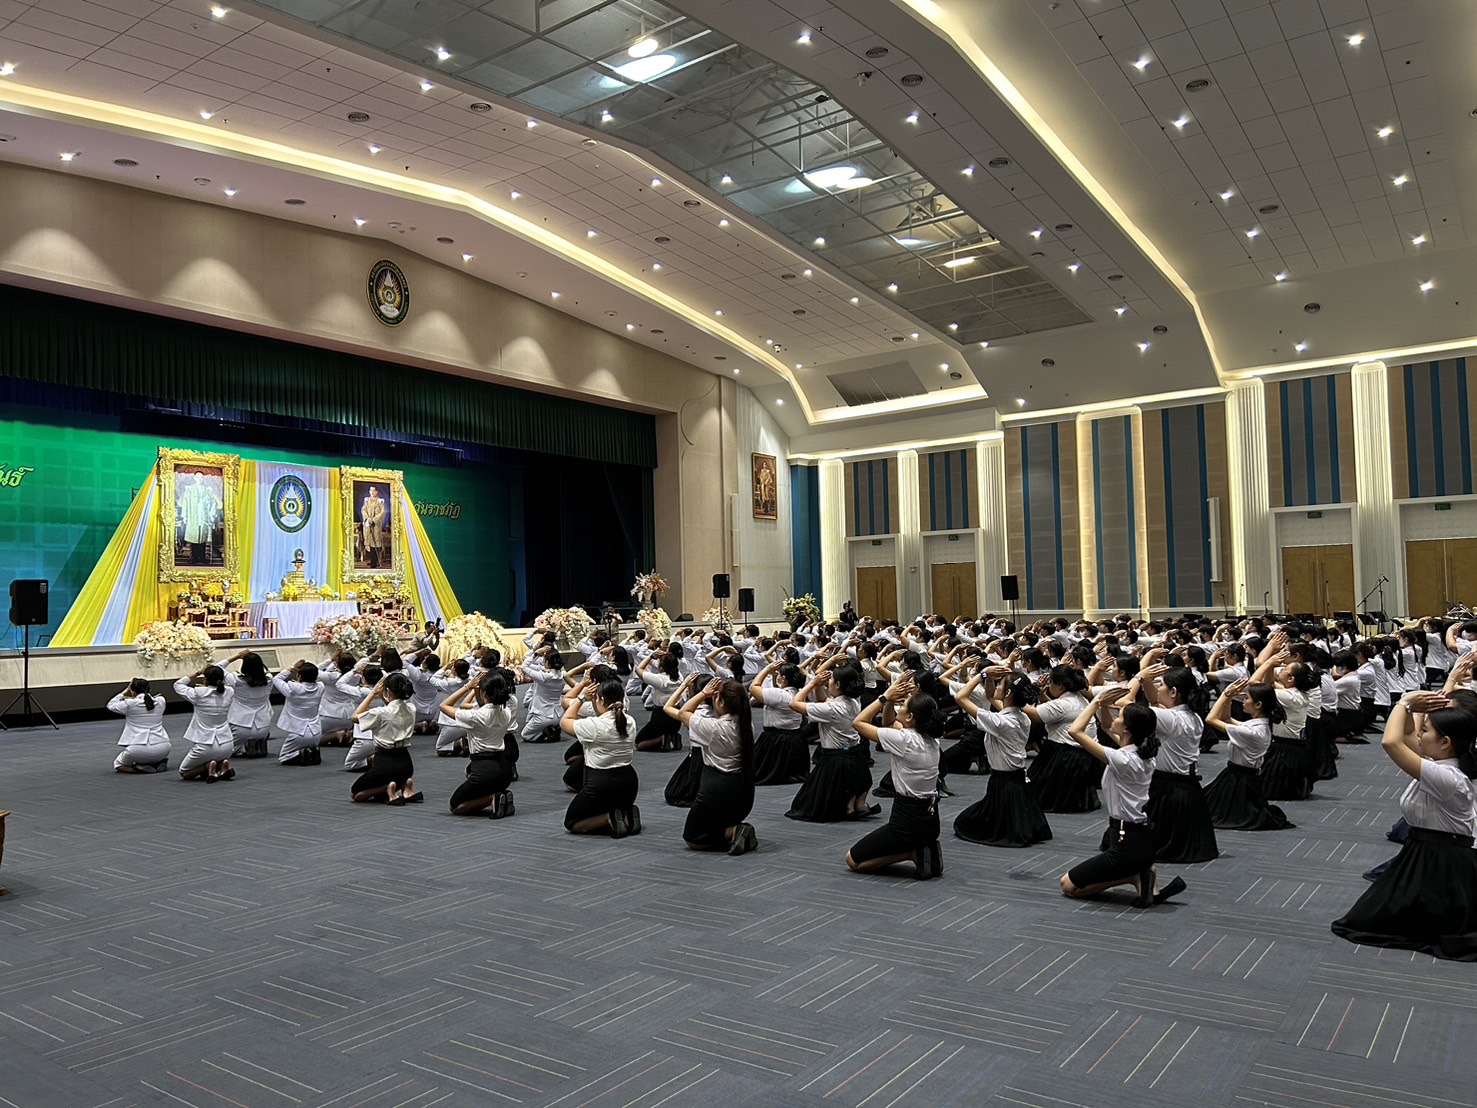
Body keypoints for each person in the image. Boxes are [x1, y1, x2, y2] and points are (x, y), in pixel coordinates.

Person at [1331, 691, 1477, 960]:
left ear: (1445, 742)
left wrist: (1404, 702)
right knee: (1370, 918)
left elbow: (1391, 741)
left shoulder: (1447, 776)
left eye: (1426, 731)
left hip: (1446, 863)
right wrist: (1412, 709)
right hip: (1425, 853)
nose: (1420, 735)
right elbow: (1408, 733)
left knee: (1373, 922)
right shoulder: (1437, 763)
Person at [1059, 689, 1186, 908]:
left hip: (1126, 843)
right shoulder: (1141, 754)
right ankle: (1141, 874)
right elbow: (1107, 726)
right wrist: (1104, 707)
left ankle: (1133, 876)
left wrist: (1096, 702)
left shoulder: (1123, 759)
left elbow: (1075, 731)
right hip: (1140, 838)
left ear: (1127, 728)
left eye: (1119, 716)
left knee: (1068, 886)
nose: (1115, 719)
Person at [847, 673, 943, 878]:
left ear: (910, 717)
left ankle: (912, 853)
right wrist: (891, 701)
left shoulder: (904, 740)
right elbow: (890, 722)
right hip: (930, 820)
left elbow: (858, 722)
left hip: (906, 822)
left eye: (904, 705)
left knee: (853, 861)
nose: (901, 705)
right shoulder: (931, 739)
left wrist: (884, 697)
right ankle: (922, 847)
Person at [951, 668, 1052, 847]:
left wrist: (982, 675)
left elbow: (960, 698)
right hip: (1017, 778)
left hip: (1004, 782)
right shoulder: (1021, 716)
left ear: (1008, 693)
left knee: (964, 823)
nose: (996, 687)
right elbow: (991, 696)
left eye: (1000, 684)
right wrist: (989, 679)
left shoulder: (1000, 722)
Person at [666, 677, 758, 854]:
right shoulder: (747, 725)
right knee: (716, 824)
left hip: (717, 791)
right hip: (743, 790)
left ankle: (735, 831)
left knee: (693, 838)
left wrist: (703, 693)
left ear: (721, 702)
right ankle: (735, 831)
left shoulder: (714, 728)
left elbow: (684, 712)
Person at [786, 657, 873, 821]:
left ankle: (848, 806)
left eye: (831, 680)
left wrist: (812, 684)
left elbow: (794, 704)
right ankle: (854, 804)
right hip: (855, 756)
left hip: (836, 760)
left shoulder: (832, 709)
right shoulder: (853, 702)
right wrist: (819, 685)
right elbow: (823, 701)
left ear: (838, 685)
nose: (828, 683)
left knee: (804, 804)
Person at [1202, 680, 1295, 830]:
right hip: (1236, 775)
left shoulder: (1253, 732)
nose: (1243, 701)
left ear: (1258, 705)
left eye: (1246, 698)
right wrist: (1229, 698)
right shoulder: (1256, 725)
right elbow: (1226, 719)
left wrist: (1226, 694)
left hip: (1241, 780)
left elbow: (1210, 719)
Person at [561, 676, 640, 837]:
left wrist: (581, 698)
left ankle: (609, 818)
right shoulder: (630, 721)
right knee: (608, 805)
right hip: (628, 783)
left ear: (601, 700)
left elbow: (565, 721)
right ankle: (626, 815)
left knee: (572, 822)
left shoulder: (594, 726)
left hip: (601, 784)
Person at [1024, 665, 1101, 813]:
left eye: (1051, 683)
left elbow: (1035, 715)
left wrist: (1017, 698)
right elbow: (1053, 711)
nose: (1049, 686)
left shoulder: (1064, 704)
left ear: (1060, 685)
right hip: (1082, 756)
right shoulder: (1078, 698)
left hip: (1065, 757)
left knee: (1030, 794)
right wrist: (1041, 695)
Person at [444, 671, 516, 817]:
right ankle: (499, 795)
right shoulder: (506, 712)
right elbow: (486, 705)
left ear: (484, 693)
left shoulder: (475, 716)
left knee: (455, 806)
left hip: (483, 769)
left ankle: (492, 798)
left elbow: (444, 705)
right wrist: (478, 689)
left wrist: (468, 687)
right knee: (470, 774)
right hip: (504, 768)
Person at [350, 671, 420, 803]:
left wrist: (372, 693)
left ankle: (388, 787)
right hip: (406, 764)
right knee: (393, 778)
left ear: (387, 691)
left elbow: (355, 717)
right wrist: (384, 694)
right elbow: (393, 705)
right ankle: (404, 785)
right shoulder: (411, 708)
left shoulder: (380, 712)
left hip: (385, 763)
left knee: (356, 794)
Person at [748, 660, 810, 785]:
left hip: (776, 740)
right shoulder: (798, 693)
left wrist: (767, 669)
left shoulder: (780, 695)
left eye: (779, 674)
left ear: (784, 678)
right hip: (795, 739)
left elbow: (753, 688)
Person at [173, 664, 235, 782]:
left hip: (205, 745)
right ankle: (221, 766)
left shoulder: (199, 693)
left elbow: (178, 685)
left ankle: (209, 766)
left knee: (184, 773)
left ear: (205, 679)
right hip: (227, 744)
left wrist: (198, 672)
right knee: (215, 758)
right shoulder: (230, 691)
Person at [107, 677, 171, 773]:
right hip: (164, 747)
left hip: (137, 750)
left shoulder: (129, 704)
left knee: (118, 765)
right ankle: (158, 763)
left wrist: (124, 692)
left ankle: (139, 769)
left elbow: (110, 705)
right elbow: (148, 702)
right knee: (155, 756)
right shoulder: (161, 701)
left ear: (132, 691)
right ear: (150, 689)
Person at [273, 661, 324, 766]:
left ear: (299, 676)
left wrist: (291, 668)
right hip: (316, 732)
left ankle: (302, 753)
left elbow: (276, 679)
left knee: (284, 757)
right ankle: (311, 750)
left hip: (298, 732)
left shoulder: (293, 688)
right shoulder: (321, 687)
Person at [223, 650, 273, 757]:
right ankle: (251, 746)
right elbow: (264, 671)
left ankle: (242, 748)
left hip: (240, 725)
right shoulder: (269, 680)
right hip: (263, 726)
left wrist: (237, 656)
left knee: (223, 749)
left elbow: (216, 668)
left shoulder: (236, 679)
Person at [179, 471, 219, 565]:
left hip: (204, 516)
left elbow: (213, 503)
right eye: (198, 477)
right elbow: (186, 503)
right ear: (194, 478)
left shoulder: (207, 490)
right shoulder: (190, 490)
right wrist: (185, 515)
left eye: (201, 477)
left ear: (203, 478)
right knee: (194, 537)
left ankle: (202, 557)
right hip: (193, 516)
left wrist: (211, 514)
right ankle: (194, 557)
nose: (199, 479)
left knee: (202, 538)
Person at [361, 484, 387, 568]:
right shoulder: (367, 501)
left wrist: (374, 520)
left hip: (376, 525)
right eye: (370, 490)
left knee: (375, 542)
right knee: (369, 542)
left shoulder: (380, 502)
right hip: (368, 524)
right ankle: (372, 561)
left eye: (373, 490)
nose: (372, 492)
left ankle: (375, 562)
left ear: (377, 492)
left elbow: (382, 513)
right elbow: (363, 510)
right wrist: (368, 518)